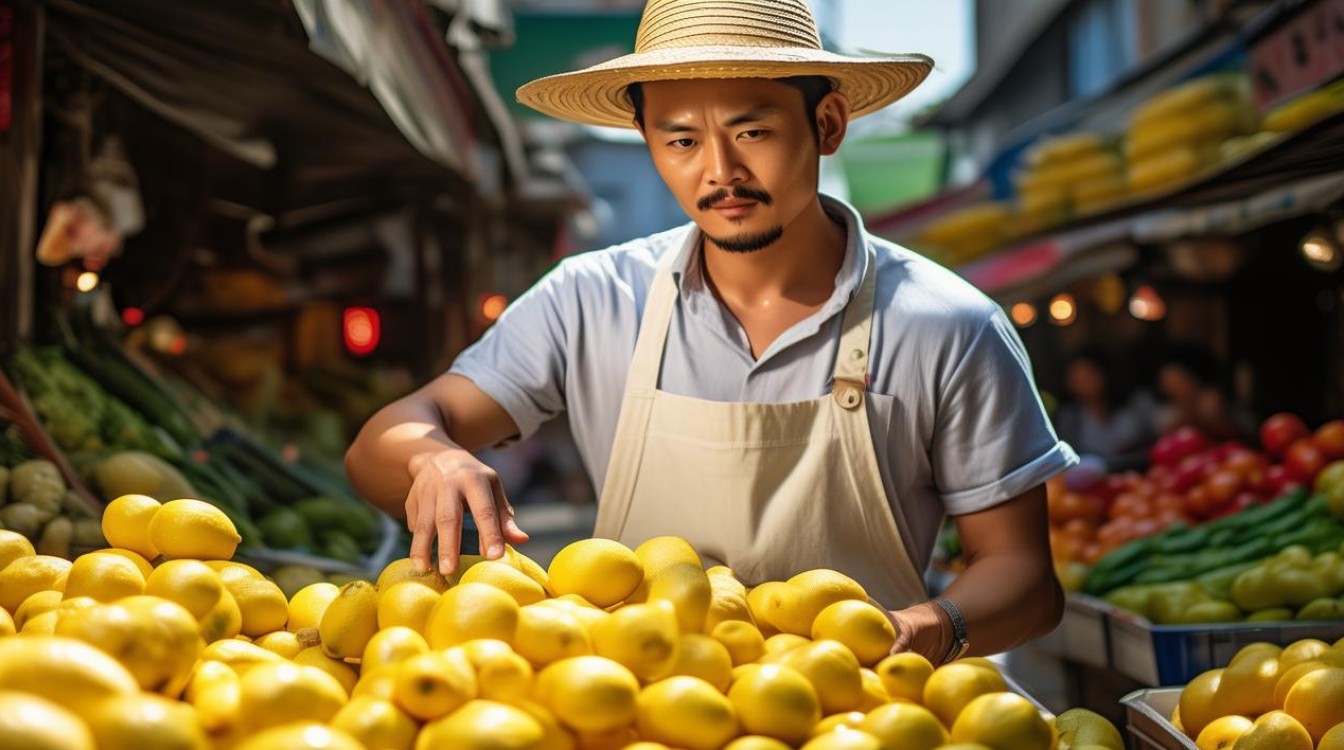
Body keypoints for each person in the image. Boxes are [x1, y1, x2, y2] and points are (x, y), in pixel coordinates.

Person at [345, 0, 1078, 664]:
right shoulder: (591, 299)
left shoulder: (948, 325)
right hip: (640, 715)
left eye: (752, 130)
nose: (720, 171)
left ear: (826, 125)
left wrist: (927, 627)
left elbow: (1023, 579)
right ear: (646, 139)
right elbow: (385, 441)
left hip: (859, 717)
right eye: (681, 140)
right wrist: (430, 460)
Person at [1053, 348, 1157, 472]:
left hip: (1139, 473)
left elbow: (1152, 446)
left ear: (1103, 373)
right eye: (1077, 378)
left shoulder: (1135, 405)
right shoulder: (1069, 418)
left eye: (1088, 375)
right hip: (1093, 483)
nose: (1084, 383)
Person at [1154, 344, 1255, 441]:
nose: (1164, 386)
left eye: (1175, 379)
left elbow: (1249, 430)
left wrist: (1222, 420)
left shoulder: (1220, 403)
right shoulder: (1168, 413)